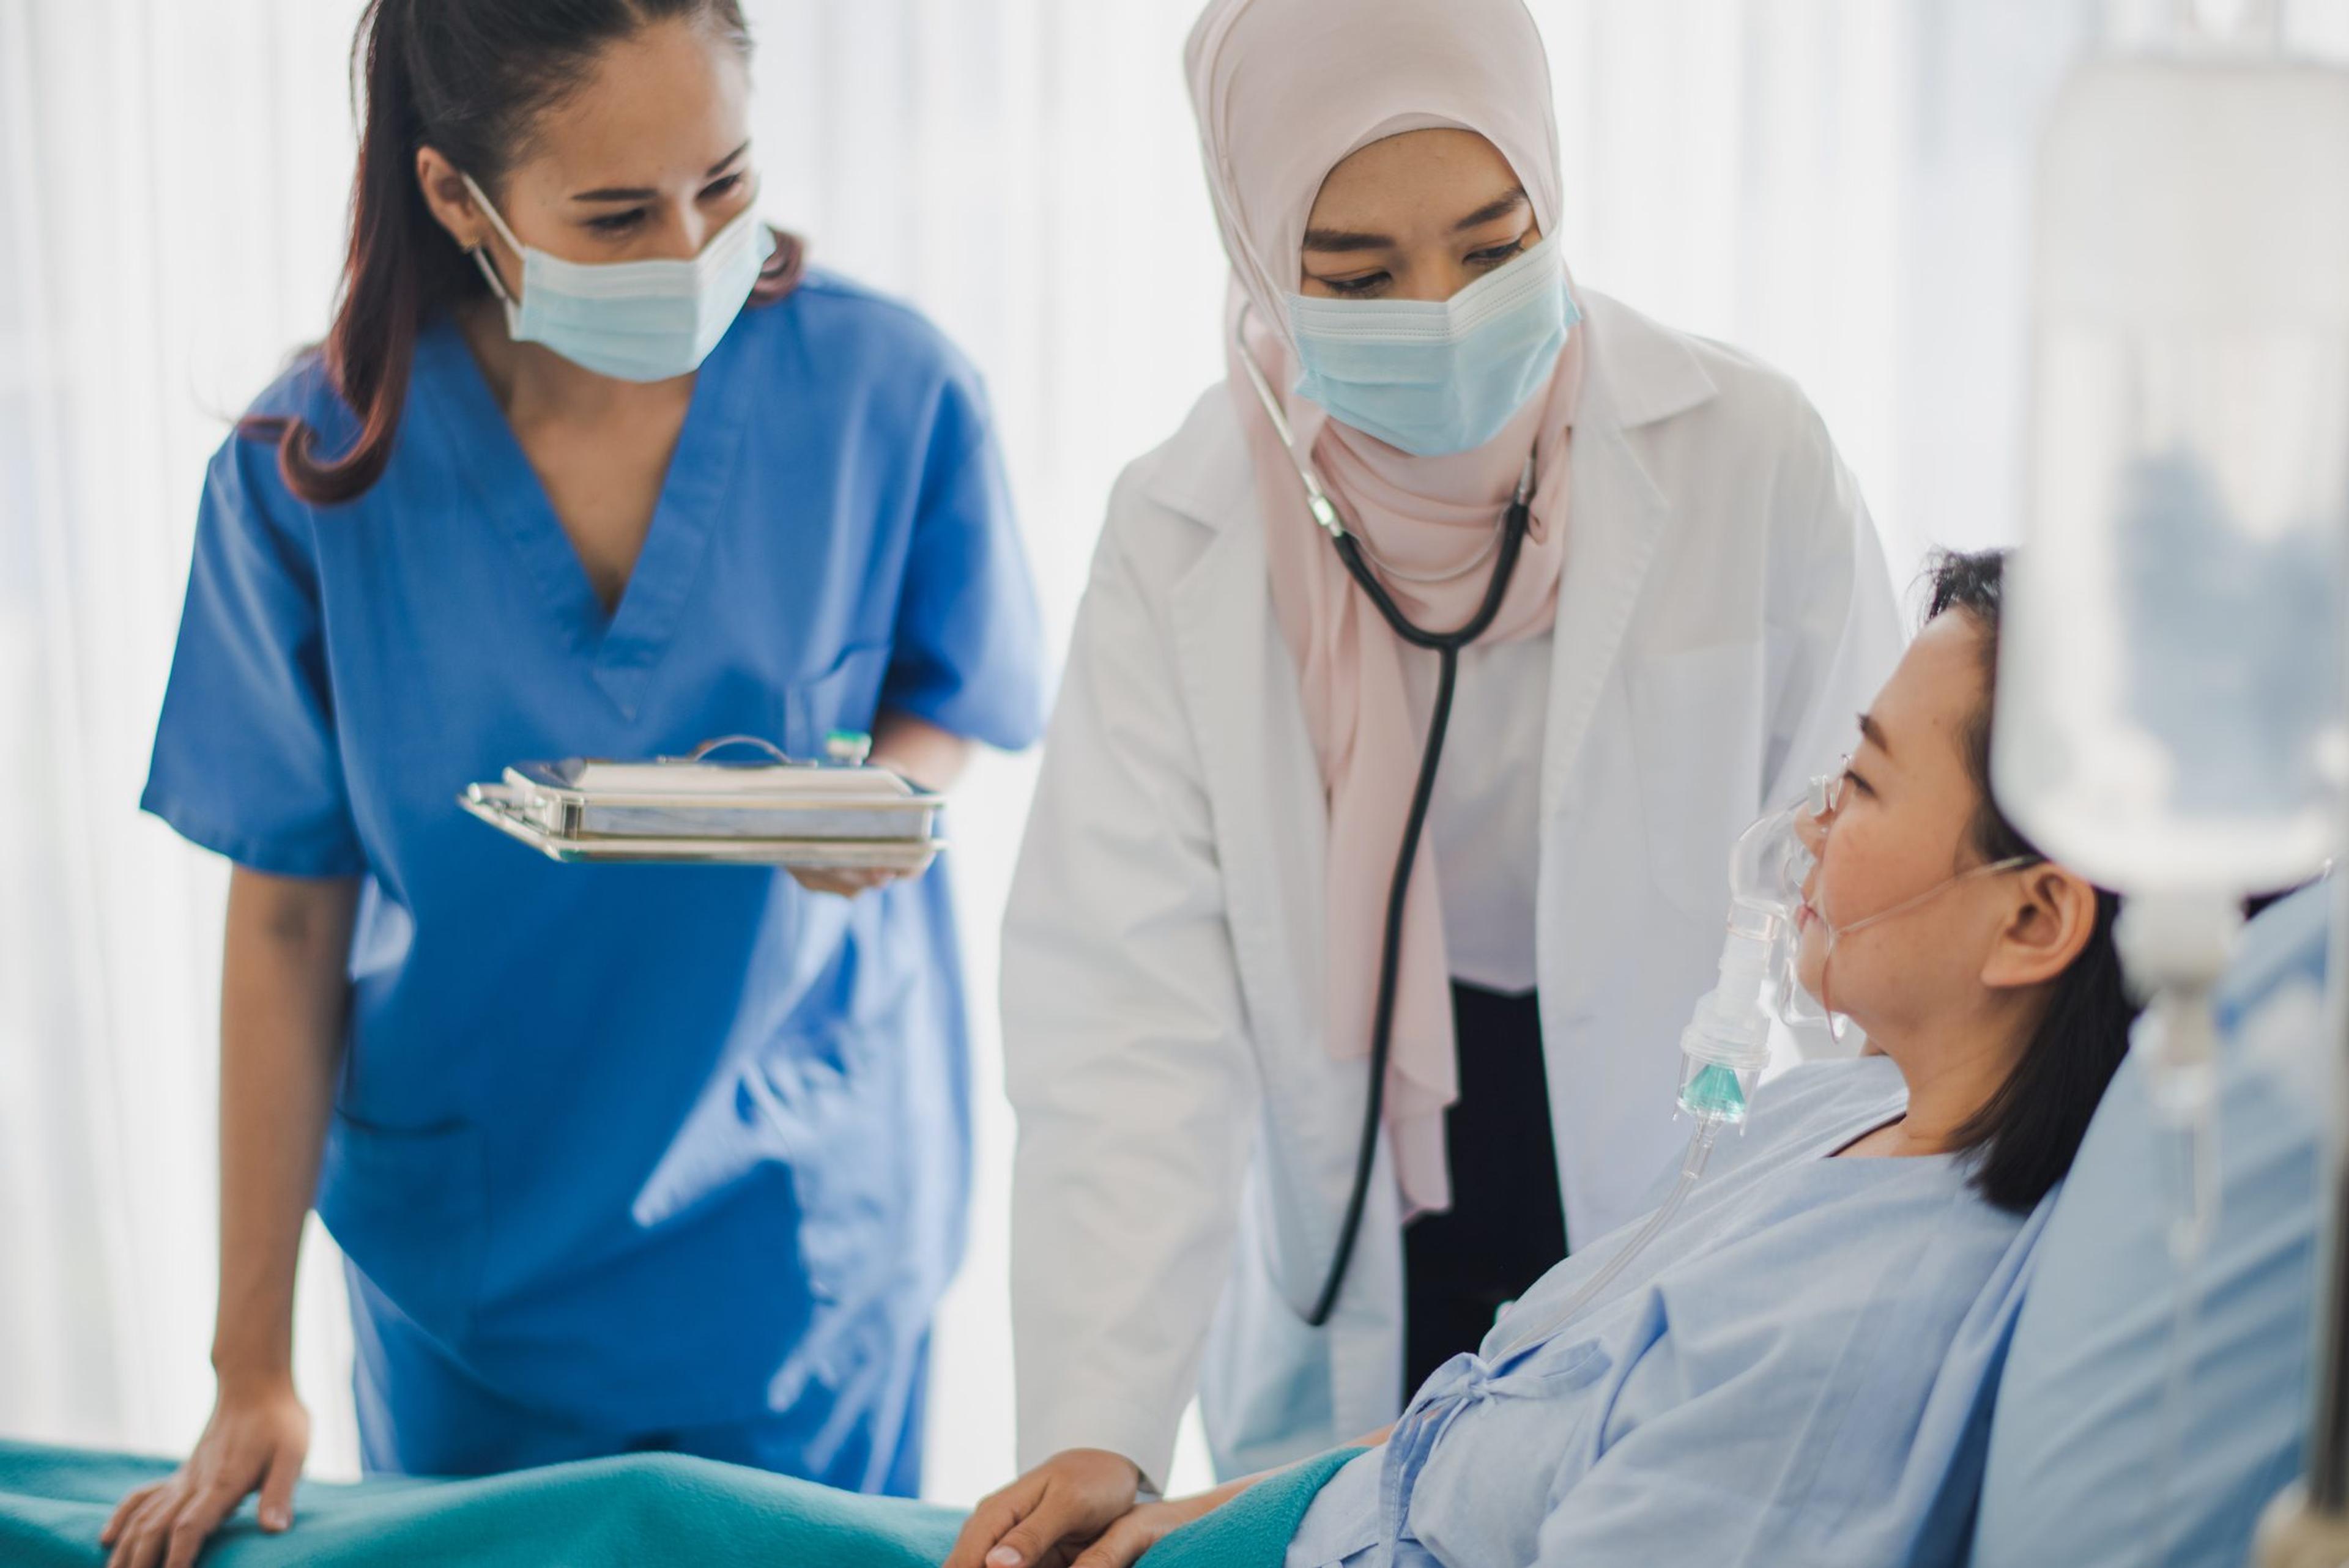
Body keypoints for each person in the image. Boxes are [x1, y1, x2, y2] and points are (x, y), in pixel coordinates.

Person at [102, 3, 1043, 1566]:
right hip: (482, 1277)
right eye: (616, 216)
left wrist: (876, 799)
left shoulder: (892, 391)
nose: (689, 249)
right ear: (461, 200)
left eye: (725, 186)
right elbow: (283, 925)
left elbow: (947, 699)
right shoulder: (308, 473)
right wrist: (247, 1365)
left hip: (806, 1248)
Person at [993, 0, 1905, 1525]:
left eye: (1495, 246)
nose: (1444, 312)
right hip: (1371, 1195)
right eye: (1357, 275)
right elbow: (1126, 1023)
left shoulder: (1746, 453)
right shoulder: (1183, 534)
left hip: (1684, 1162)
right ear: (1254, 251)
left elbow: (1879, 906)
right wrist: (1100, 1426)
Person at [948, 548, 2136, 1568]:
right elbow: (1481, 1417)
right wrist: (1191, 1513)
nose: (1811, 818)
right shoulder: (1840, 1111)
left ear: (2032, 919)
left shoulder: (1842, 1341)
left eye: (1865, 781)